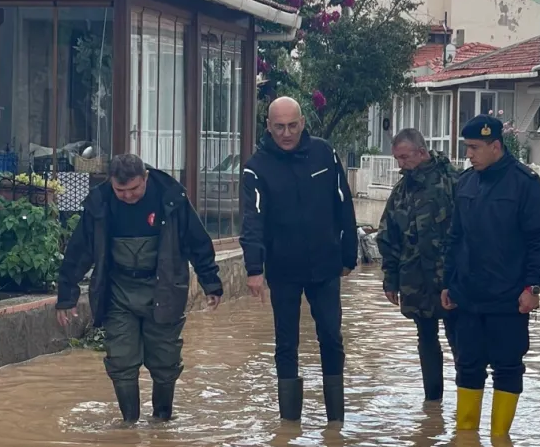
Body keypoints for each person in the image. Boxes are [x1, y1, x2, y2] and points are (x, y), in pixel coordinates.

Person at [57, 154, 223, 423]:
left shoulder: (171, 197)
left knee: (165, 360)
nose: (128, 196)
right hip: (117, 292)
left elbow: (197, 242)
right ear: (111, 183)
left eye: (134, 189)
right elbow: (79, 250)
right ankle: (129, 424)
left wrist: (211, 282)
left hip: (164, 288)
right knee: (121, 360)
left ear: (145, 177)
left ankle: (162, 421)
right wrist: (66, 295)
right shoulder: (100, 203)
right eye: (120, 190)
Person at [241, 96, 358, 423]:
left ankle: (335, 421)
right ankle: (289, 426)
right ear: (268, 126)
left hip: (325, 263)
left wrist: (349, 253)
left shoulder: (324, 153)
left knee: (331, 336)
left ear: (303, 123)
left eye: (292, 125)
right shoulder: (256, 167)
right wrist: (254, 268)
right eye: (279, 127)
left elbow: (343, 203)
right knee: (286, 342)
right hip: (283, 267)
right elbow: (252, 220)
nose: (287, 133)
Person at [441, 115, 540, 437]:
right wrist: (447, 282)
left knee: (507, 368)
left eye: (475, 148)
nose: (469, 155)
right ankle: (466, 444)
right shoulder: (465, 183)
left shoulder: (526, 185)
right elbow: (455, 237)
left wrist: (533, 287)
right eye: (466, 148)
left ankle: (501, 443)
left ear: (496, 146)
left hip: (509, 298)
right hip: (468, 296)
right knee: (467, 367)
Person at [376, 128, 461, 403]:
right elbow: (388, 236)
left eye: (404, 157)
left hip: (451, 279)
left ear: (422, 152)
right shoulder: (402, 191)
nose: (400, 164)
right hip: (415, 280)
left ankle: (467, 400)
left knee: (460, 341)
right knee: (425, 338)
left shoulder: (453, 181)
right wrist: (390, 279)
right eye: (397, 159)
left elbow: (472, 232)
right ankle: (432, 405)